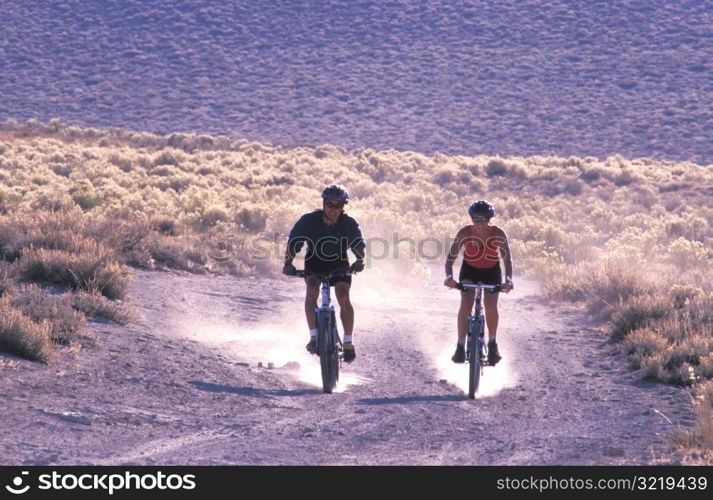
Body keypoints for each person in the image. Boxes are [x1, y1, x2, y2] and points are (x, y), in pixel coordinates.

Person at [282, 185, 366, 363]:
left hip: (339, 262)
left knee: (343, 295)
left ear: (343, 207)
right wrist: (288, 263)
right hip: (315, 261)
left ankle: (348, 342)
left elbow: (358, 244)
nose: (333, 209)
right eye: (330, 204)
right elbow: (294, 243)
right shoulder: (308, 220)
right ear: (323, 203)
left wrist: (359, 260)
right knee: (312, 288)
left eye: (338, 206)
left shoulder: (348, 223)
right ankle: (314, 336)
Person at [444, 200, 513, 365]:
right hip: (470, 270)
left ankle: (493, 343)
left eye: (484, 219)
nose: (480, 223)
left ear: (489, 219)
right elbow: (449, 260)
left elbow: (507, 259)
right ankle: (460, 346)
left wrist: (508, 280)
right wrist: (448, 277)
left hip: (492, 272)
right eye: (476, 219)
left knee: (490, 305)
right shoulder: (464, 233)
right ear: (471, 219)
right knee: (466, 304)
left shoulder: (498, 234)